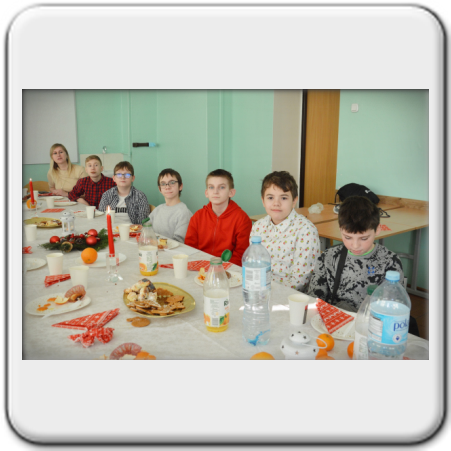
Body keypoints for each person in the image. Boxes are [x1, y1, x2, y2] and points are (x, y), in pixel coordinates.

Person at [307, 195, 404, 312]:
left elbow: (393, 306)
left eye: (364, 238)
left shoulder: (390, 262)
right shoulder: (327, 258)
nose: (355, 245)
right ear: (340, 229)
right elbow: (314, 300)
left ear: (378, 229)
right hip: (334, 318)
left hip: (371, 320)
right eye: (348, 237)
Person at [250, 171, 320, 291]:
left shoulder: (306, 231)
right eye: (270, 198)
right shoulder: (258, 226)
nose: (276, 203)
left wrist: (268, 290)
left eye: (283, 198)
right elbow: (253, 265)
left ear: (294, 201)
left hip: (289, 295)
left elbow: (300, 282)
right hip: (259, 289)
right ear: (263, 201)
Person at [184, 169, 252, 266]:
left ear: (231, 192)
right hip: (199, 266)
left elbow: (242, 254)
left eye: (222, 187)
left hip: (228, 269)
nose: (215, 192)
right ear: (206, 193)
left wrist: (219, 267)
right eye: (211, 187)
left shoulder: (242, 219)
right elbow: (190, 248)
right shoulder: (197, 216)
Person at [148, 169, 193, 243]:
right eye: (163, 184)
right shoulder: (158, 209)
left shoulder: (184, 213)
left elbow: (179, 242)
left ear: (180, 186)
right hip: (153, 247)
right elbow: (146, 229)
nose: (167, 187)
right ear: (160, 189)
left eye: (172, 182)